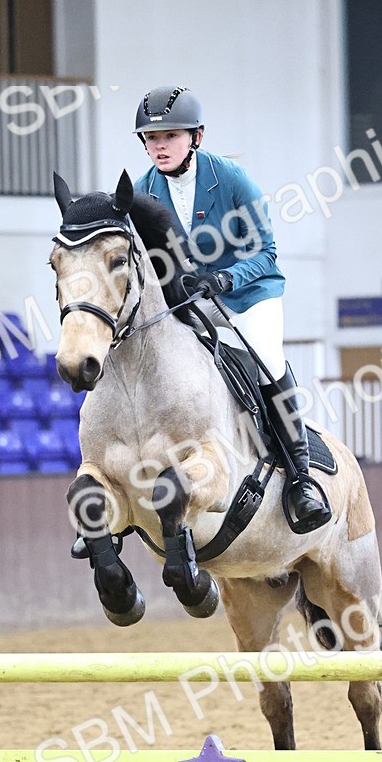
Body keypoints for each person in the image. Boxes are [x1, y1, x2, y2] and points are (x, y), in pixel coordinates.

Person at [133, 85, 331, 534]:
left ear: (196, 138)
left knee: (264, 361)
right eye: (150, 138)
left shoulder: (232, 179)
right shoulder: (144, 190)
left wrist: (225, 279)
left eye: (169, 136)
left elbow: (268, 251)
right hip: (192, 305)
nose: (159, 146)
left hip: (248, 296)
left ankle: (301, 479)